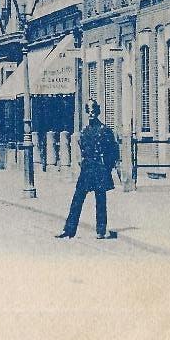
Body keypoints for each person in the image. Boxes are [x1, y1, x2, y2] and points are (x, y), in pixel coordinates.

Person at [57, 100, 120, 239]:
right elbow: (82, 150)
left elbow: (114, 151)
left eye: (93, 111)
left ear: (97, 112)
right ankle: (69, 230)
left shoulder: (105, 131)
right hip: (87, 169)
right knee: (77, 199)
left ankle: (101, 231)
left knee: (100, 200)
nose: (91, 114)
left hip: (99, 169)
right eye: (89, 111)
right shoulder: (84, 131)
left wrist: (106, 168)